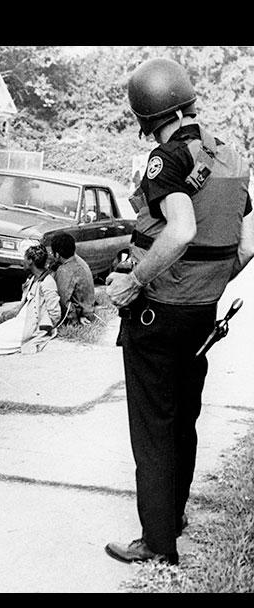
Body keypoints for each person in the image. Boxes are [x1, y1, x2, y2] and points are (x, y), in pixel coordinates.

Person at [104, 57, 254, 566]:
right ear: (187, 100)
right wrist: (210, 280)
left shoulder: (167, 159)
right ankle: (175, 515)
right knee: (183, 418)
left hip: (159, 312)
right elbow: (248, 244)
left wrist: (134, 280)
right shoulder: (232, 157)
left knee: (152, 427)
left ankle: (157, 542)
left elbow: (181, 228)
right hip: (202, 313)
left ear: (146, 115)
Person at [0, 244, 61, 357]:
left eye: (25, 258)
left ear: (31, 261)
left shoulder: (47, 282)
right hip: (19, 322)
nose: (22, 261)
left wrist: (40, 331)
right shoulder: (34, 278)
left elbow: (55, 313)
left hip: (27, 328)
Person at [49, 232, 96, 325]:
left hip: (81, 316)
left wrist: (74, 322)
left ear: (57, 255)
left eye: (52, 252)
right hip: (88, 310)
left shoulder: (65, 270)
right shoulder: (78, 262)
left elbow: (63, 301)